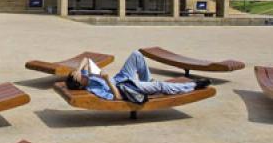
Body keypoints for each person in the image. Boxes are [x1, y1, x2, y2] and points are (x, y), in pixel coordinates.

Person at [66, 50, 210, 100]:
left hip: (120, 79)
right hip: (126, 88)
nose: (84, 75)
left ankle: (147, 82)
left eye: (80, 74)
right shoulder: (93, 89)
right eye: (81, 77)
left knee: (136, 55)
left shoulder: (85, 75)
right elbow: (117, 97)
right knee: (161, 85)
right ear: (80, 84)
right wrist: (107, 80)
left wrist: (78, 69)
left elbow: (87, 60)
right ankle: (193, 85)